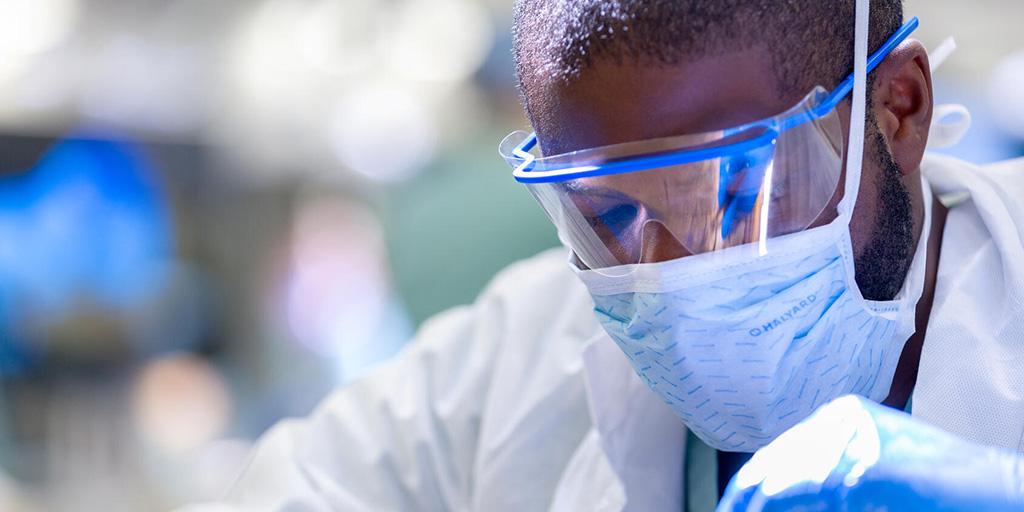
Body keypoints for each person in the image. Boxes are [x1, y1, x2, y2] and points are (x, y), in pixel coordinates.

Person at [192, 0, 1024, 510]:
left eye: (734, 195)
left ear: (897, 110)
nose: (667, 280)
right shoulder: (512, 365)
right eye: (606, 211)